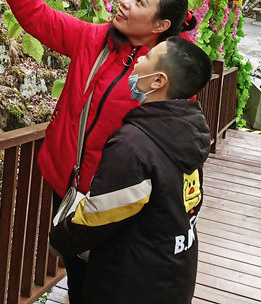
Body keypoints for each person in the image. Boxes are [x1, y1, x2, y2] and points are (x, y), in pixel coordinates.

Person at [0, 0, 195, 303]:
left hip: (115, 196)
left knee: (103, 279)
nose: (125, 2)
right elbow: (38, 18)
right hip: (67, 185)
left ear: (161, 26)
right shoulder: (94, 39)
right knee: (78, 270)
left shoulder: (165, 76)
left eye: (140, 2)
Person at [49, 37, 212, 304]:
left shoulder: (134, 146)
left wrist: (60, 240)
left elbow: (100, 215)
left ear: (158, 81)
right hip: (172, 272)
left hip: (131, 282)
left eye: (147, 58)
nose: (138, 60)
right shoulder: (188, 132)